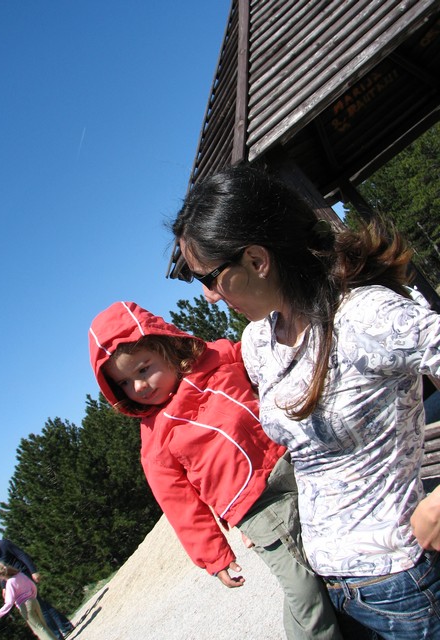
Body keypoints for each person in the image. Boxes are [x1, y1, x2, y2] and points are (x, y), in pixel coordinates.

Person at [171, 163, 440, 639]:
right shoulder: (258, 343)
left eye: (208, 278)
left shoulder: (366, 316)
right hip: (333, 590)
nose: (210, 297)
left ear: (257, 260)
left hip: (402, 587)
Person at [89, 300, 345, 640]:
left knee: (338, 556)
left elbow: (266, 360)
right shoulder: (155, 439)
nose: (138, 387)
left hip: (296, 465)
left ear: (167, 346)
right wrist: (214, 556)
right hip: (257, 508)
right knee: (303, 588)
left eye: (143, 369)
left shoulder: (218, 358)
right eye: (123, 383)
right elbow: (179, 504)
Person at [0, 535, 74, 639]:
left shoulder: (3, 544)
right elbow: (0, 572)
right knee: (41, 604)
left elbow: (22, 555)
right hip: (11, 581)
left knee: (40, 607)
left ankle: (56, 635)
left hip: (22, 575)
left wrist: (33, 571)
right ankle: (65, 626)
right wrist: (3, 587)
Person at [0, 561, 57, 640]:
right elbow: (33, 586)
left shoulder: (10, 583)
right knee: (44, 626)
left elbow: (9, 602)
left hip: (25, 606)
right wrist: (33, 597)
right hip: (34, 601)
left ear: (1, 576)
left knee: (39, 629)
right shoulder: (21, 575)